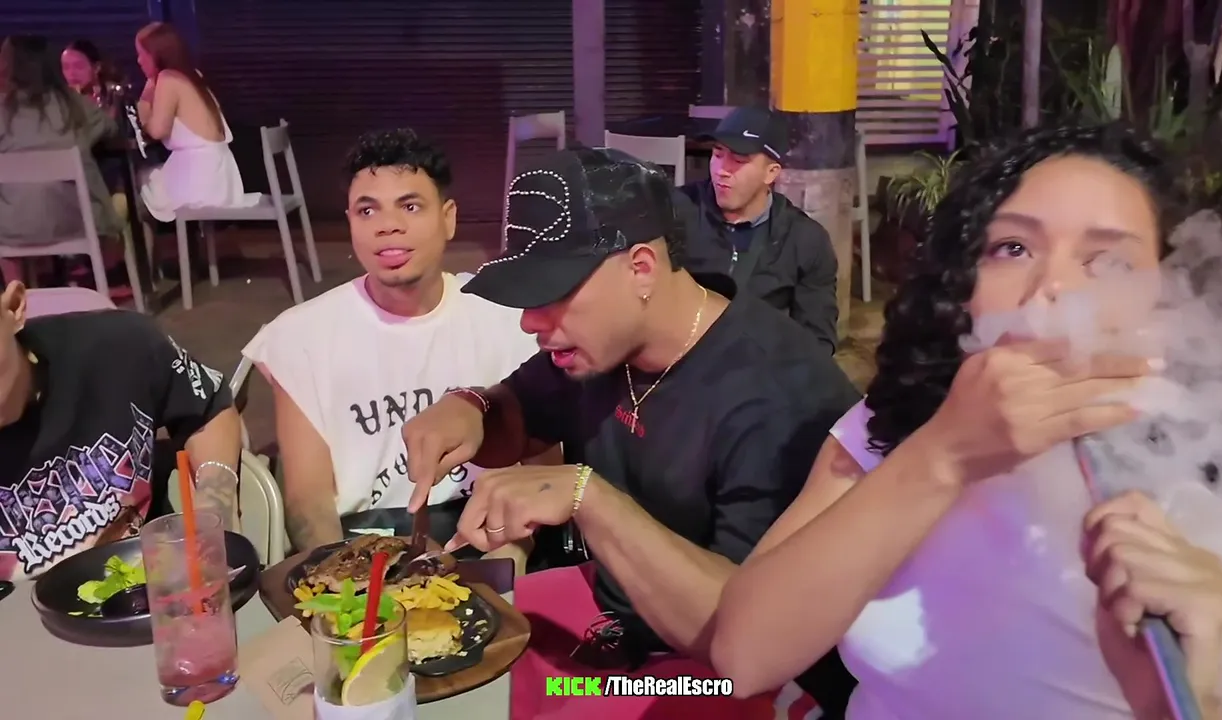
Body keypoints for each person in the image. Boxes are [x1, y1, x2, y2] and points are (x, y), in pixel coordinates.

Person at [710, 125, 1222, 718]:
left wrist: (1186, 695)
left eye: (1109, 260)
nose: (1052, 288)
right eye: (1013, 248)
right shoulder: (897, 424)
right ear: (963, 284)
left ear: (1166, 299)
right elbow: (743, 656)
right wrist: (943, 455)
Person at [399, 147, 859, 719]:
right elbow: (517, 414)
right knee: (431, 668)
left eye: (551, 292)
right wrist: (469, 407)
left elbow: (742, 638)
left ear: (641, 267)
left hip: (735, 673)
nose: (529, 321)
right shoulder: (602, 345)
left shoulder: (777, 399)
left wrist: (586, 497)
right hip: (618, 613)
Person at [242, 129, 539, 564]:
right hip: (361, 547)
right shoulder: (301, 337)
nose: (387, 226)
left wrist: (508, 563)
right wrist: (344, 578)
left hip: (485, 534)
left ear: (448, 218)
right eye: (367, 210)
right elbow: (308, 501)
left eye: (410, 206)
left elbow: (541, 472)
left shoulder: (508, 319)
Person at [0, 266, 242, 582]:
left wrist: (213, 502)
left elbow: (210, 411)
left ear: (14, 307)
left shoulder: (118, 348)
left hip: (147, 589)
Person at [678, 106, 838, 353]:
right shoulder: (677, 210)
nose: (721, 170)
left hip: (756, 366)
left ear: (770, 173)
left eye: (738, 160)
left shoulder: (805, 239)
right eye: (717, 154)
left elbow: (817, 342)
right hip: (679, 359)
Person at [0, 35, 123, 255]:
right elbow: (110, 128)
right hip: (76, 222)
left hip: (10, 229)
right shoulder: (74, 104)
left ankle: (17, 277)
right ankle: (104, 270)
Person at [134, 22, 258, 222]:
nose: (139, 61)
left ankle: (136, 243)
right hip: (223, 176)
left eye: (142, 54)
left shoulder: (168, 79)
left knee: (140, 186)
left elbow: (157, 131)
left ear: (156, 54)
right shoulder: (193, 74)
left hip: (200, 178)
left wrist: (144, 104)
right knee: (149, 177)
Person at [61, 39, 125, 117]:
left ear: (97, 67)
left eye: (79, 66)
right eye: (66, 67)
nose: (71, 73)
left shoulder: (115, 96)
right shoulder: (60, 102)